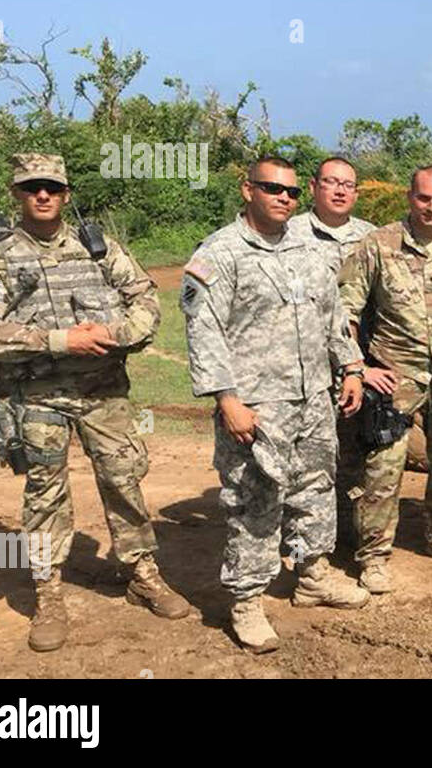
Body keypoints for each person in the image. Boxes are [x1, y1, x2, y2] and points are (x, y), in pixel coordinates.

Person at [0, 152, 189, 653]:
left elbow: (145, 301)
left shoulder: (98, 248)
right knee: (45, 492)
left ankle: (143, 574)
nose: (43, 195)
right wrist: (61, 341)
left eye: (52, 187)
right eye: (33, 186)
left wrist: (113, 333)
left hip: (104, 392)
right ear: (17, 193)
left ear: (65, 194)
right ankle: (49, 592)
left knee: (124, 481)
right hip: (38, 396)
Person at [182, 155, 368, 653]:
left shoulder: (309, 248)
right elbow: (204, 333)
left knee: (315, 487)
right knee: (255, 499)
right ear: (248, 191)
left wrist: (350, 367)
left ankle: (312, 575)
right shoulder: (220, 253)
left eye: (288, 191)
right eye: (271, 188)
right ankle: (247, 600)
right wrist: (227, 399)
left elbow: (333, 317)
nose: (283, 197)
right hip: (257, 405)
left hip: (312, 400)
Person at [337, 166, 432, 592]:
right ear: (409, 197)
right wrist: (358, 367)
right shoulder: (377, 246)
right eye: (423, 198)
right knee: (384, 466)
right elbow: (345, 311)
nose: (431, 207)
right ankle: (374, 555)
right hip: (395, 382)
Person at [288, 157, 376, 550]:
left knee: (353, 452)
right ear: (313, 187)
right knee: (303, 458)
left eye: (348, 185)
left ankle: (342, 532)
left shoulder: (372, 238)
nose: (340, 191)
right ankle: (297, 539)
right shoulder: (289, 234)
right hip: (303, 368)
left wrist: (362, 366)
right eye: (331, 182)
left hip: (358, 367)